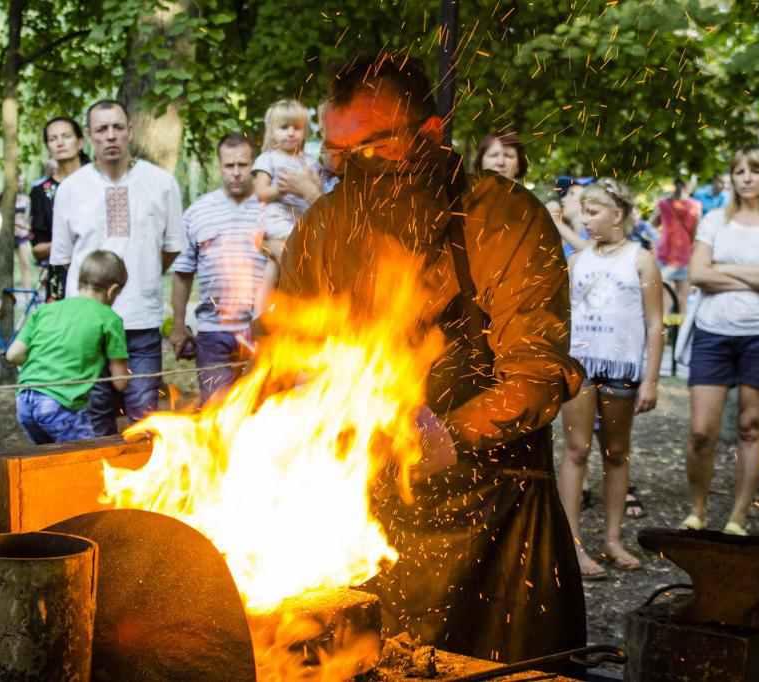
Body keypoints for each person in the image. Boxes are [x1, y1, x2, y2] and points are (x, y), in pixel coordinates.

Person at [279, 52, 586, 667]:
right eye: (340, 155)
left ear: (430, 133)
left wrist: (452, 433)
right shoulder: (321, 229)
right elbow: (287, 365)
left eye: (375, 146)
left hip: (499, 520)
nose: (357, 169)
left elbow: (536, 372)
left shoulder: (503, 217)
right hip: (369, 518)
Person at [681, 147, 759, 535]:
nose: (747, 177)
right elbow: (698, 272)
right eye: (739, 171)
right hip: (713, 332)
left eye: (755, 171)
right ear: (732, 177)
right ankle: (698, 509)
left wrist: (724, 270)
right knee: (702, 431)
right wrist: (753, 275)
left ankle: (738, 517)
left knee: (751, 426)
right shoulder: (715, 220)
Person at [50, 100, 186, 436]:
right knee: (95, 413)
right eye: (101, 129)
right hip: (88, 324)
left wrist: (142, 276)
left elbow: (170, 250)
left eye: (117, 127)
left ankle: (144, 484)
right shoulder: (70, 189)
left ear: (129, 132)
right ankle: (100, 485)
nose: (110, 136)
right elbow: (62, 260)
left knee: (143, 412)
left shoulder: (161, 183)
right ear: (89, 138)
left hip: (140, 319)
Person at [560, 178, 664, 579]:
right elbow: (564, 317)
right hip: (581, 367)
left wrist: (651, 379)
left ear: (617, 214)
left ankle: (613, 539)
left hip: (621, 369)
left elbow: (655, 324)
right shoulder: (576, 262)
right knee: (575, 449)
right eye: (583, 212)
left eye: (593, 212)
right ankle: (573, 543)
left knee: (616, 453)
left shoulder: (640, 260)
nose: (585, 220)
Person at [171, 134, 265, 403]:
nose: (236, 173)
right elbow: (182, 273)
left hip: (261, 329)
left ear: (253, 165)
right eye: (229, 166)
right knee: (217, 409)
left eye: (243, 165)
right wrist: (178, 325)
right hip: (213, 331)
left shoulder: (269, 209)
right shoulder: (198, 212)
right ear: (219, 166)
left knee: (262, 408)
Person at [6, 250, 129, 444]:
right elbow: (120, 381)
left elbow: (13, 355)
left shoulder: (46, 310)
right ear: (112, 290)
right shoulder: (109, 318)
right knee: (89, 459)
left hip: (24, 402)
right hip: (59, 405)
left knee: (49, 460)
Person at [252, 99, 323, 315]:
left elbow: (320, 192)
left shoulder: (309, 161)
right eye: (284, 128)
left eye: (297, 128)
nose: (291, 133)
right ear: (272, 132)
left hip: (301, 219)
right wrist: (280, 190)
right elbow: (259, 192)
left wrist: (311, 183)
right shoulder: (268, 159)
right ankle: (261, 312)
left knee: (276, 265)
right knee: (289, 256)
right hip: (278, 218)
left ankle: (277, 309)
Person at [30, 117, 89, 301]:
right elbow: (38, 248)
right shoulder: (41, 191)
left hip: (99, 274)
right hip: (60, 278)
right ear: (48, 146)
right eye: (53, 139)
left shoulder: (100, 180)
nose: (60, 143)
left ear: (80, 142)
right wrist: (73, 241)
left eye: (66, 136)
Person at [653, 179, 702, 318]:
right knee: (683, 302)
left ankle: (664, 337)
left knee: (664, 301)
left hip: (664, 255)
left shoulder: (663, 203)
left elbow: (653, 224)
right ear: (689, 186)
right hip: (685, 255)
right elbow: (695, 232)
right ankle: (679, 337)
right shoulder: (695, 206)